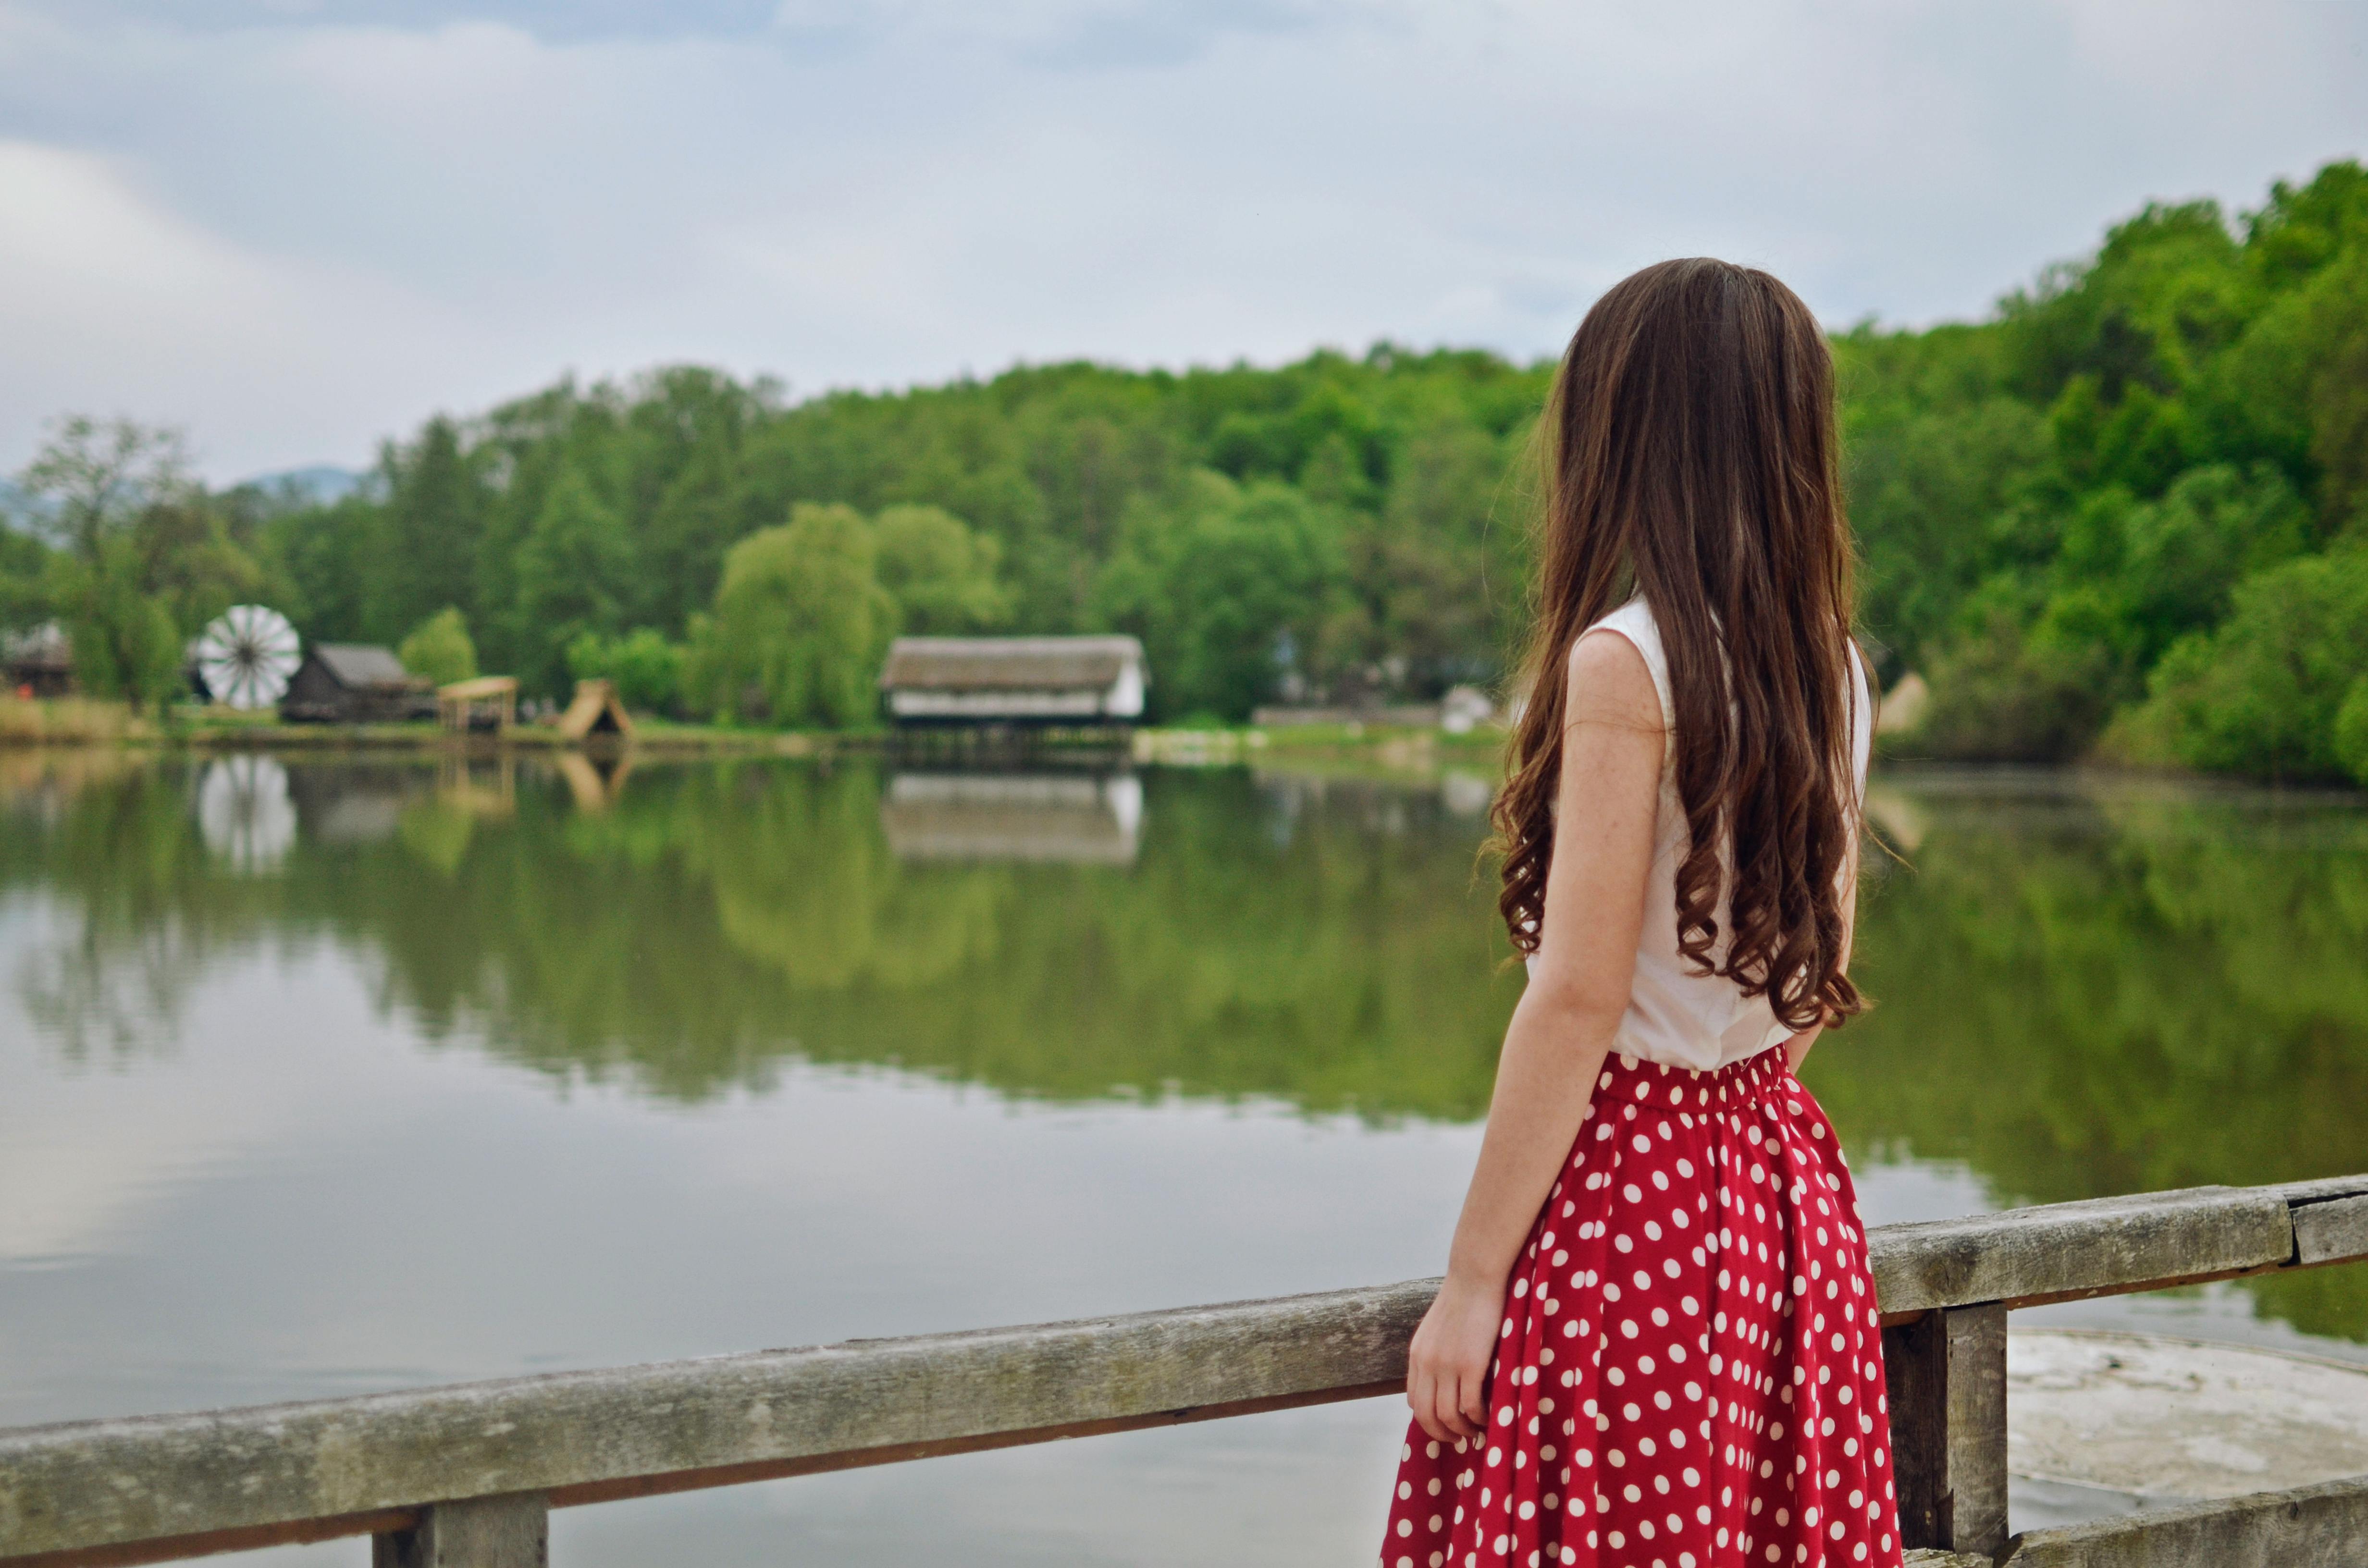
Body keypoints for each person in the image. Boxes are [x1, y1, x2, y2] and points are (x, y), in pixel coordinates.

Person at [1381, 258, 1898, 1568]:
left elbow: (1576, 996)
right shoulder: (1829, 664)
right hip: (1780, 1190)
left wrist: (1474, 1279)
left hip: (1637, 1201)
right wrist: (1727, 1098)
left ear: (1629, 436)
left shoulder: (1628, 661)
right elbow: (1816, 971)